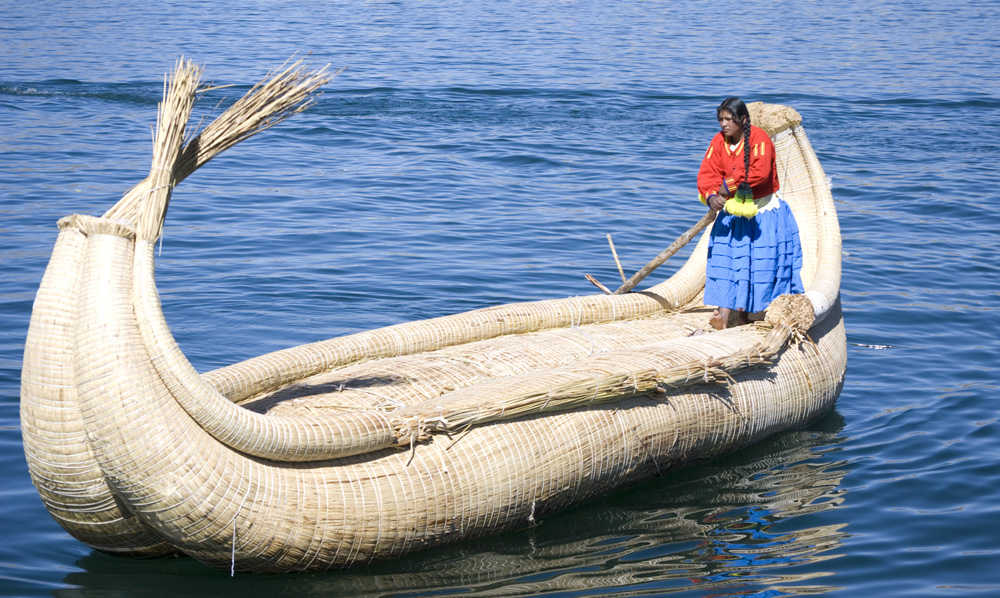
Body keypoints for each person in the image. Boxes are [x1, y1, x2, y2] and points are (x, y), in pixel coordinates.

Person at [697, 97, 804, 330]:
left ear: (743, 120)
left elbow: (760, 173)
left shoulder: (759, 139)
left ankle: (745, 316)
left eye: (729, 119)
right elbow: (707, 172)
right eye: (720, 119)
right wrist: (712, 195)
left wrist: (728, 185)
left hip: (761, 214)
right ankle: (723, 317)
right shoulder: (718, 141)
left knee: (755, 265)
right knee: (726, 263)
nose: (723, 124)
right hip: (732, 214)